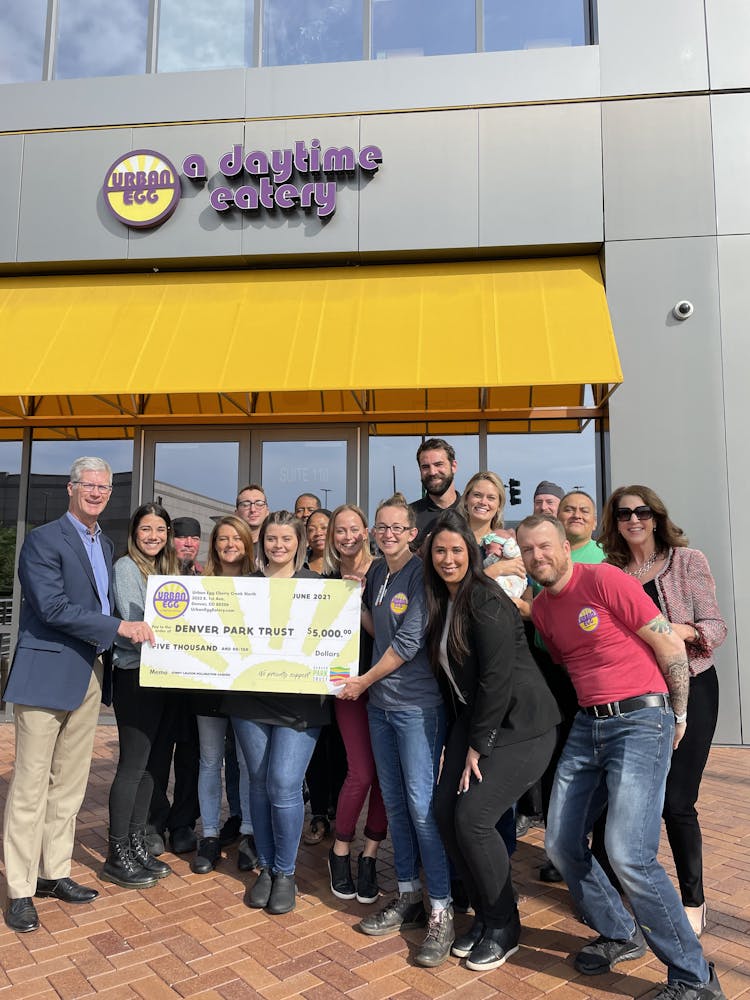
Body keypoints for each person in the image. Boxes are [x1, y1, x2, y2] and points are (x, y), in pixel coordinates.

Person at [516, 514, 726, 1000]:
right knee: (562, 843)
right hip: (590, 724)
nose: (537, 556)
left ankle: (695, 978)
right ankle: (619, 932)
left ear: (567, 548)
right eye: (528, 551)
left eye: (545, 546)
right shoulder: (544, 609)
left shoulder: (605, 578)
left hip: (640, 719)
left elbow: (668, 643)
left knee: (630, 855)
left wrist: (678, 714)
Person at [2, 457, 154, 934]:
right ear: (71, 488)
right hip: (47, 673)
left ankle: (54, 872)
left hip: (89, 673)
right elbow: (52, 608)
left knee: (70, 782)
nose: (96, 493)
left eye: (103, 487)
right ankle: (20, 889)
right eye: (88, 485)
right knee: (30, 785)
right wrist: (120, 627)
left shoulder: (104, 543)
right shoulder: (43, 540)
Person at [423, 512, 559, 971]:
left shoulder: (486, 600)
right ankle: (484, 913)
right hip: (476, 721)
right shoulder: (443, 600)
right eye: (440, 551)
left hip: (523, 726)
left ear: (472, 553)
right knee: (445, 811)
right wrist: (456, 742)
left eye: (456, 551)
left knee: (475, 817)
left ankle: (505, 925)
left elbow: (497, 680)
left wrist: (478, 746)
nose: (447, 559)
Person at [600, 485, 726, 938]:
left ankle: (694, 899)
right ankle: (631, 889)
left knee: (677, 801)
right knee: (631, 801)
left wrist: (674, 629)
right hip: (639, 696)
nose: (633, 520)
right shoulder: (611, 571)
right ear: (613, 523)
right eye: (623, 514)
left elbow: (715, 626)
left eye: (642, 512)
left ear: (656, 517)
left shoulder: (687, 561)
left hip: (692, 684)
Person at [336, 493, 453, 968]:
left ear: (412, 533)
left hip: (416, 708)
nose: (386, 533)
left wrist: (362, 681)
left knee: (422, 808)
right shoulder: (379, 574)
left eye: (395, 527)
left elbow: (406, 644)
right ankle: (406, 893)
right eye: (379, 527)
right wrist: (347, 600)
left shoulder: (421, 573)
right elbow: (377, 631)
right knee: (397, 803)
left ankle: (440, 909)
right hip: (382, 707)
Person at [224, 511, 329, 915]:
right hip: (250, 698)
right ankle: (266, 868)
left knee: (285, 782)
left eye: (286, 539)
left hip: (301, 701)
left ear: (300, 543)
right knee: (259, 779)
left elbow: (333, 642)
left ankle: (286, 872)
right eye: (271, 539)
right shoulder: (244, 586)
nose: (278, 546)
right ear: (261, 542)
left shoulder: (319, 587)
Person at [102, 503, 179, 888]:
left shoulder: (168, 571)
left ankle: (136, 842)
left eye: (160, 529)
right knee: (132, 765)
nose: (154, 536)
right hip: (136, 675)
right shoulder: (126, 568)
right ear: (134, 532)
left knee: (150, 767)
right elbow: (137, 624)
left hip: (164, 676)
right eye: (146, 529)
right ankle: (116, 853)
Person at [323, 504, 387, 904]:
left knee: (384, 776)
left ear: (367, 532)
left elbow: (385, 631)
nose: (348, 536)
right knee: (361, 772)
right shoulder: (326, 580)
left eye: (354, 529)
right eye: (339, 531)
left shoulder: (384, 573)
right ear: (332, 537)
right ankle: (340, 849)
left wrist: (359, 601)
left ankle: (370, 855)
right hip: (346, 687)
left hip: (384, 683)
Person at [191, 515, 257, 876]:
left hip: (248, 686)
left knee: (248, 762)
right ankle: (211, 836)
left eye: (236, 538)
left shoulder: (261, 584)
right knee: (210, 759)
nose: (229, 544)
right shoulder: (201, 584)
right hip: (208, 685)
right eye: (222, 539)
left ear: (247, 543)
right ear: (214, 544)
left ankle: (247, 831)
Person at [145, 515, 201, 857]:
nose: (189, 544)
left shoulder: (204, 579)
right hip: (161, 680)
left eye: (194, 539)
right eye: (182, 538)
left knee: (191, 757)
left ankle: (183, 824)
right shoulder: (156, 577)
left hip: (195, 683)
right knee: (158, 754)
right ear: (170, 541)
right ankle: (154, 822)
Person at [301, 508, 347, 846]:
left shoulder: (342, 570)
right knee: (315, 747)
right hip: (306, 673)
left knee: (341, 746)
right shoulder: (296, 571)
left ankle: (337, 809)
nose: (318, 531)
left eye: (324, 526)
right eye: (311, 527)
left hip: (341, 670)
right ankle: (318, 812)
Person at [410, 438, 462, 551]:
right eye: (425, 467)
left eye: (438, 464)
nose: (432, 472)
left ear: (453, 466)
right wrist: (422, 551)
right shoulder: (408, 515)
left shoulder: (471, 511)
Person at [235, 484, 269, 552]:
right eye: (245, 505)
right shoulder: (231, 547)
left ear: (267, 511)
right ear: (236, 513)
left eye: (259, 504)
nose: (253, 510)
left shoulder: (274, 548)